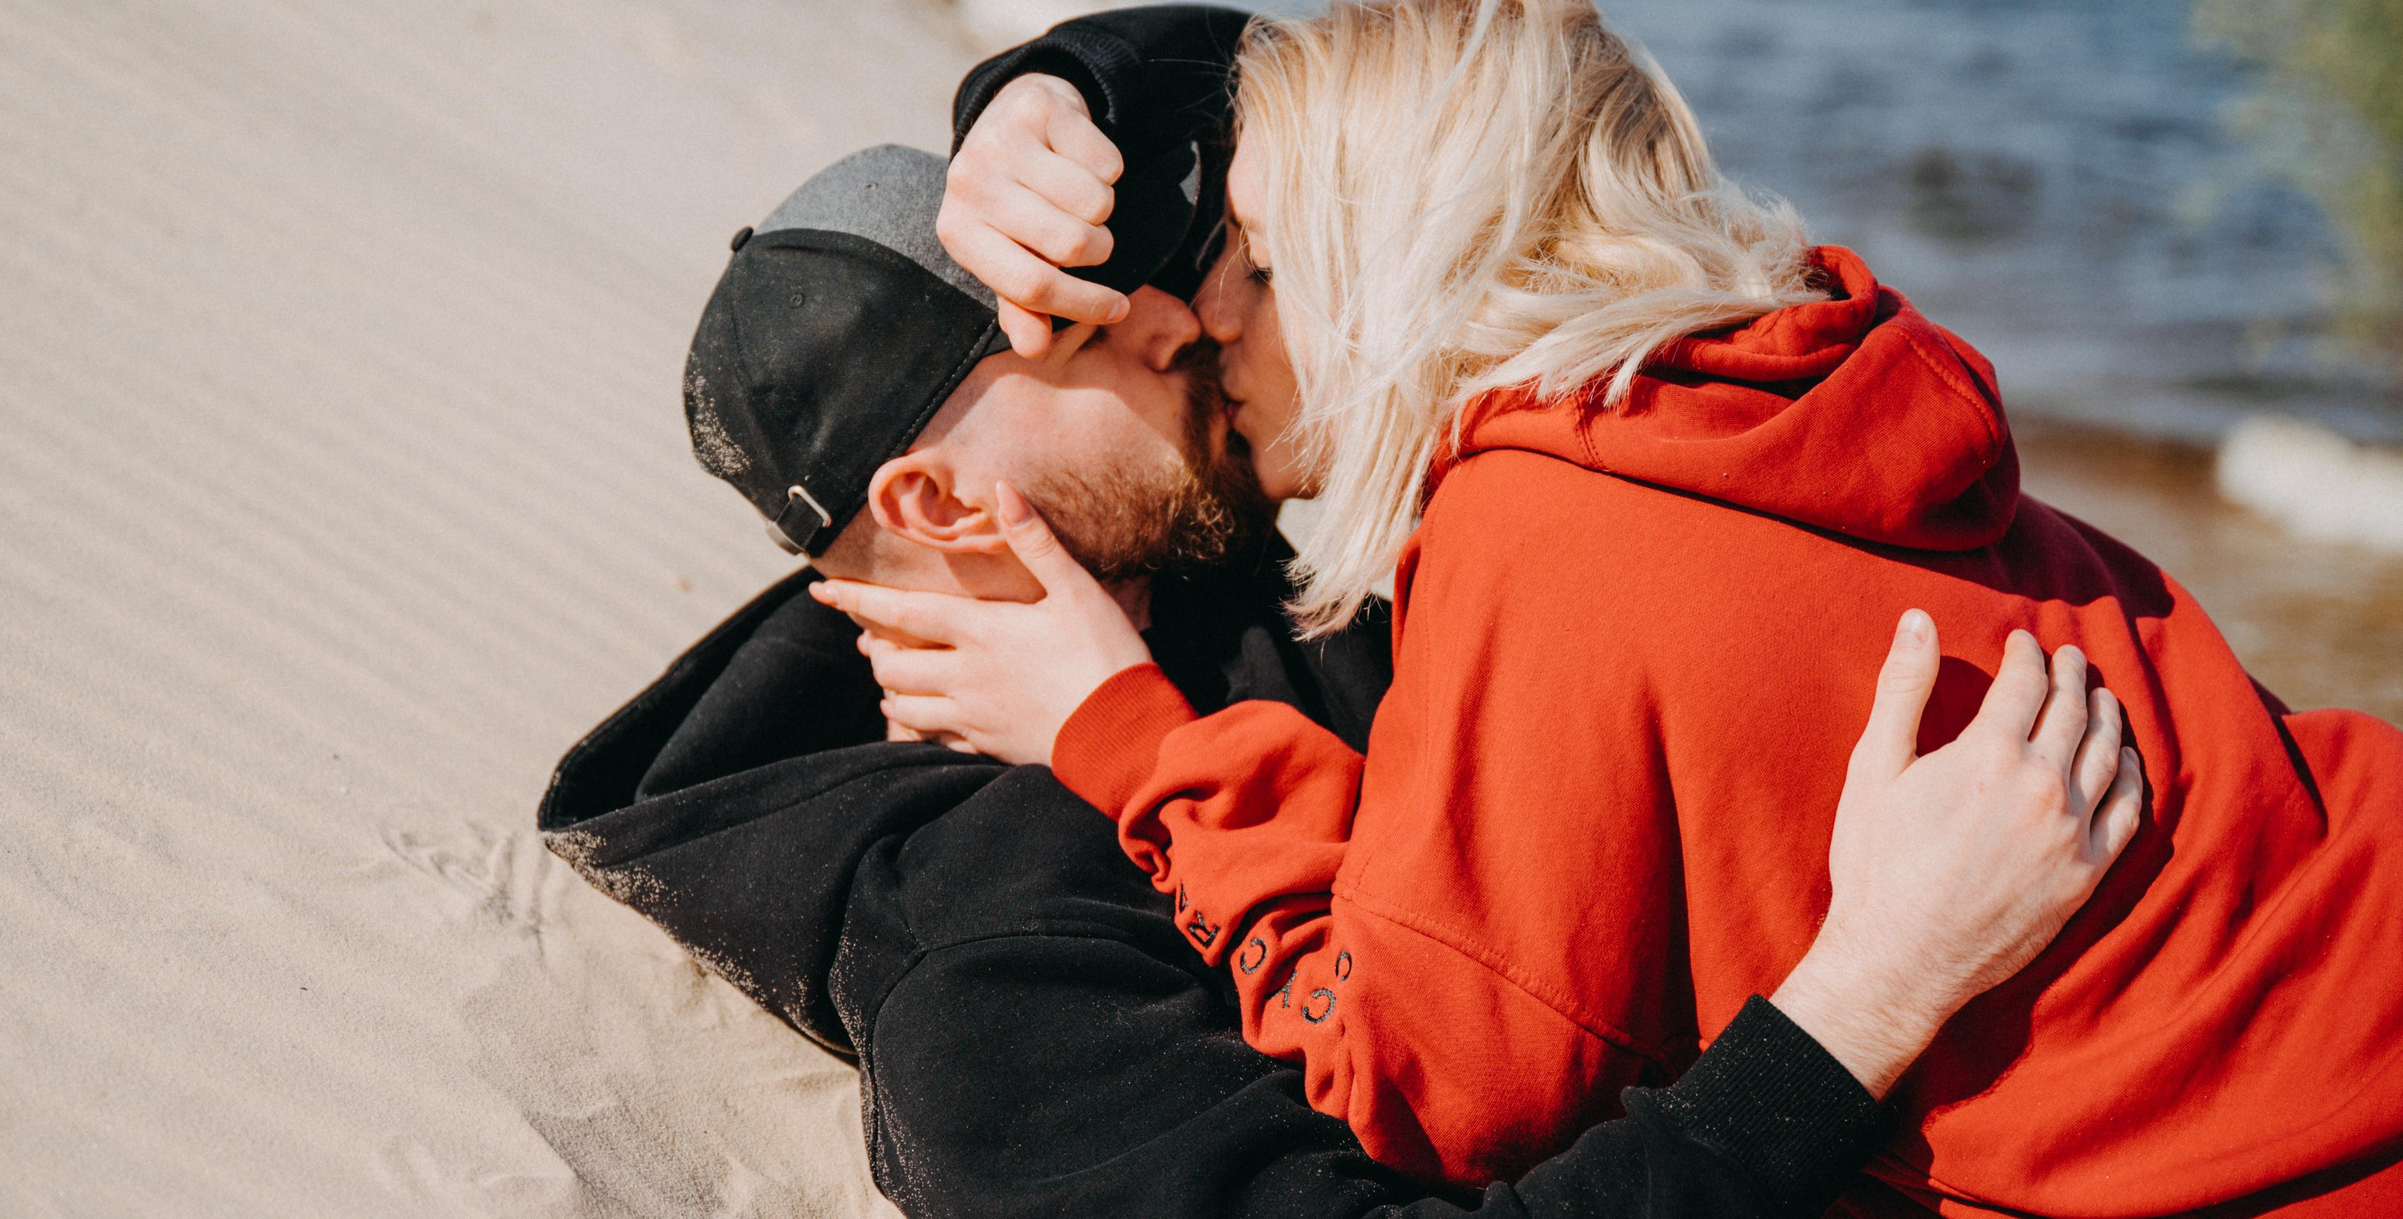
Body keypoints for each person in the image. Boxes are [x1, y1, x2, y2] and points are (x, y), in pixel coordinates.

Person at [834, 0, 2403, 1217]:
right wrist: (1052, 88)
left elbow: (1406, 1096)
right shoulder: (1775, 379)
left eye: (1259, 262)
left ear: (1399, 265)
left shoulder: (1548, 537)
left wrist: (1121, 724)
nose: (1212, 320)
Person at [547, 120, 2137, 1219]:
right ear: (939, 502)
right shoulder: (978, 953)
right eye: (1078, 325)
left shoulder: (1235, 556)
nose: (1180, 316)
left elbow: (1460, 134)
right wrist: (1869, 998)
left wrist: (1058, 91)